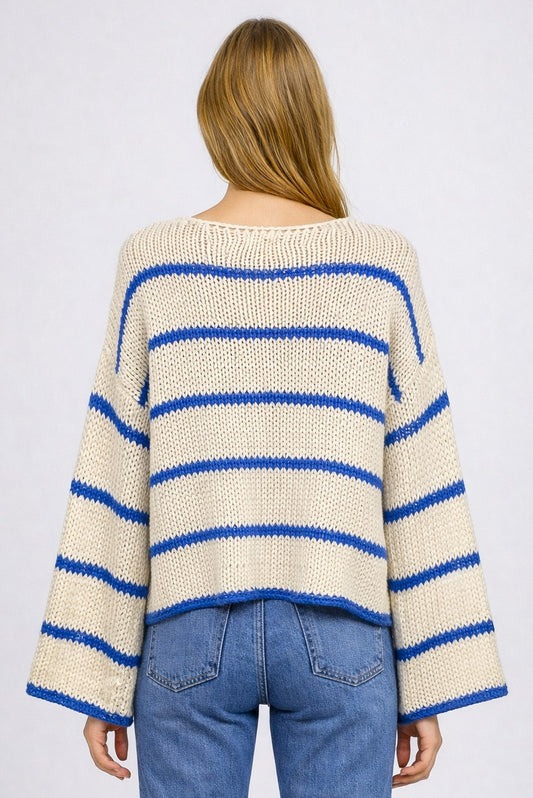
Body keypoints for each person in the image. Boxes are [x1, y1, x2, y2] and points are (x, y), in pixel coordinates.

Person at [26, 16, 508, 797]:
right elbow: (420, 473)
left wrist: (99, 677)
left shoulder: (153, 263)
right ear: (313, 118)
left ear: (215, 117)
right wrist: (426, 683)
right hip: (343, 631)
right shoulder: (381, 265)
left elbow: (114, 465)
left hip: (187, 626)